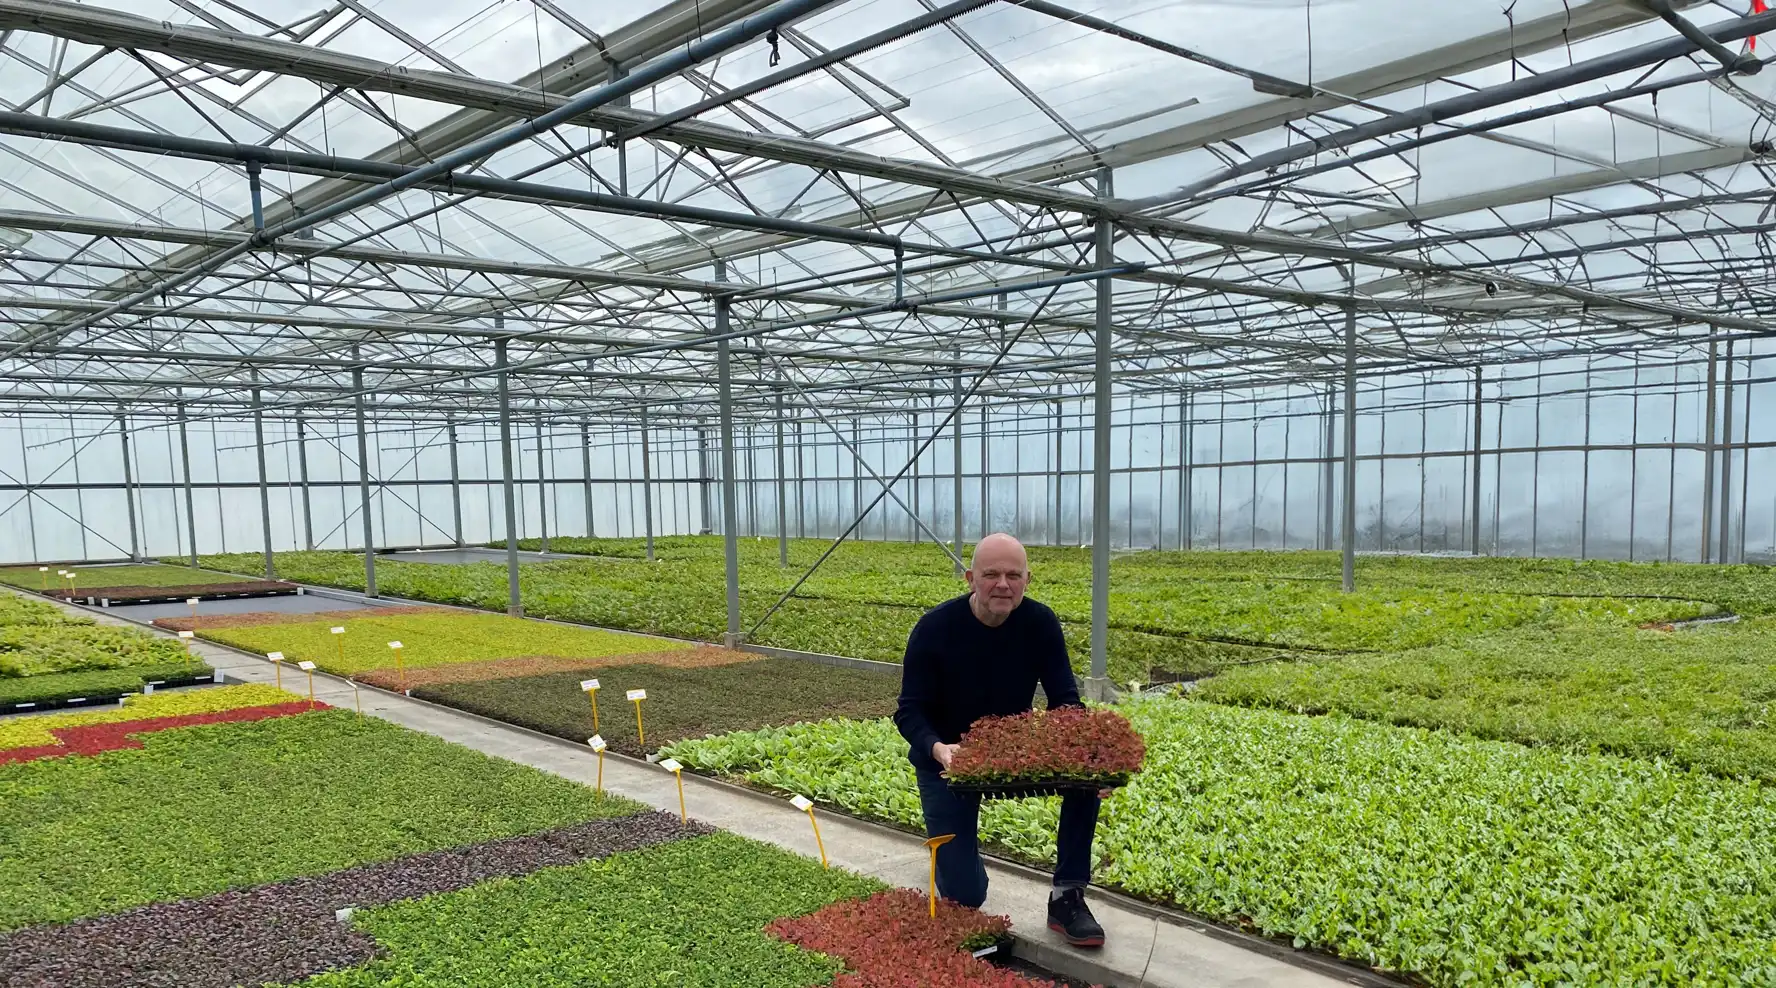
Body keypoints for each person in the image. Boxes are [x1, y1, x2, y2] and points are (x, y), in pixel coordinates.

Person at [892, 532, 1106, 948]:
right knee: (966, 896)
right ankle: (957, 863)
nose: (1003, 584)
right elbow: (909, 710)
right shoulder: (935, 628)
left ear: (1028, 579)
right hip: (948, 759)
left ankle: (1068, 897)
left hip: (1011, 753)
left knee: (1086, 779)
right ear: (970, 578)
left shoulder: (1040, 622)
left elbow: (1065, 700)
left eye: (1013, 575)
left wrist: (1089, 753)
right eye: (991, 574)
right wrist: (939, 748)